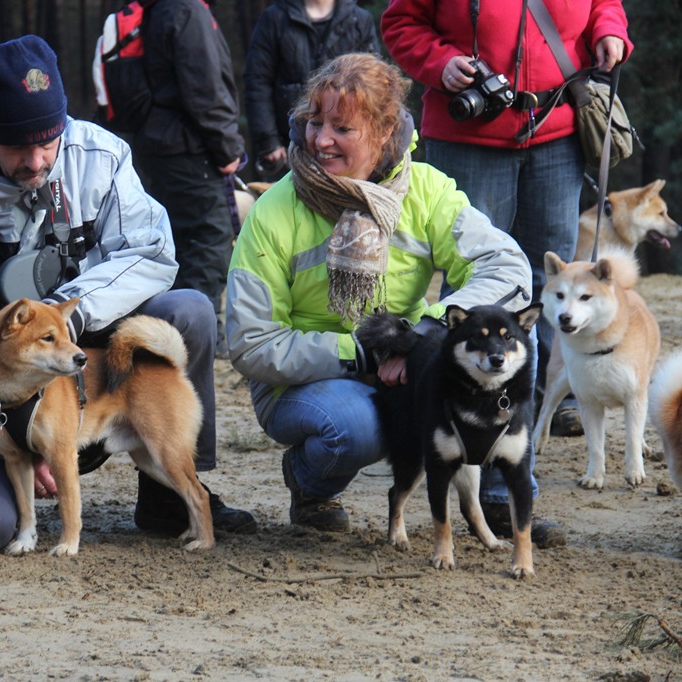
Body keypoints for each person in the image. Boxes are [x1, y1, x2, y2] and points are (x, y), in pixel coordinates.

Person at [0, 35, 255, 551]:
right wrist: (4, 429)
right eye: (18, 145)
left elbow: (153, 252)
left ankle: (169, 494)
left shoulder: (99, 157)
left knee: (187, 311)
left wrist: (70, 316)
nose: (37, 160)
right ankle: (9, 476)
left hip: (83, 365)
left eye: (48, 140)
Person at [225, 52, 566, 548]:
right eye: (314, 122)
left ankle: (503, 492)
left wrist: (424, 335)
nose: (320, 140)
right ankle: (311, 485)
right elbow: (251, 343)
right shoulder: (275, 209)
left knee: (509, 347)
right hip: (301, 379)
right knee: (355, 425)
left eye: (342, 128)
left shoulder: (425, 190)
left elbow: (507, 267)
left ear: (385, 131)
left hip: (405, 363)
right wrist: (363, 353)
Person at [381, 0, 632, 437]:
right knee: (474, 277)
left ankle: (540, 402)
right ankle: (460, 409)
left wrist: (609, 30)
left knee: (551, 281)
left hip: (557, 129)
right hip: (468, 135)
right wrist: (441, 63)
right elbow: (401, 23)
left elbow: (604, 5)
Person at [132, 0, 245, 358]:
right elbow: (206, 89)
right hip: (190, 149)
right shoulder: (186, 11)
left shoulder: (156, 9)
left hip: (157, 145)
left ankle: (169, 332)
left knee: (175, 240)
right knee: (210, 237)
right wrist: (228, 148)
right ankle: (200, 336)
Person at [244, 0, 378, 182]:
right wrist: (268, 142)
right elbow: (258, 82)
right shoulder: (274, 18)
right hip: (287, 148)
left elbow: (374, 86)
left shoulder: (359, 20)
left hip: (346, 149)